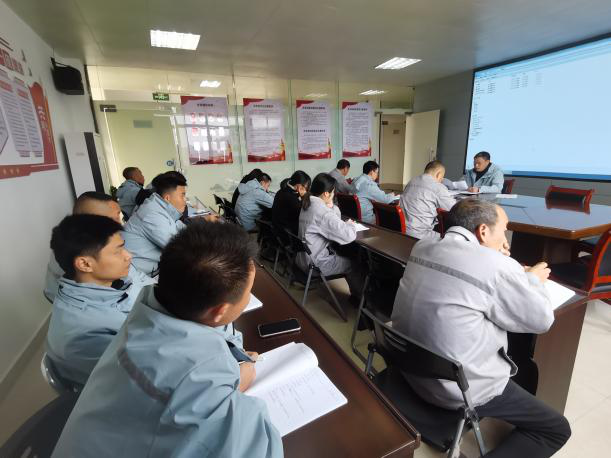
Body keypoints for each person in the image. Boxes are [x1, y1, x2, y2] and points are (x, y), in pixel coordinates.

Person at [52, 221, 283, 458]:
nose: (128, 255)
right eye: (248, 292)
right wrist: (238, 381)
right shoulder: (198, 379)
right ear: (219, 311)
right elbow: (262, 450)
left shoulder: (142, 313)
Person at [391, 199, 570, 458]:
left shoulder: (423, 245)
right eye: (504, 230)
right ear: (483, 231)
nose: (505, 239)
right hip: (456, 390)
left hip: (409, 367)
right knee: (557, 429)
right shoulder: (496, 265)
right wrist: (531, 280)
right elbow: (542, 320)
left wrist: (503, 265)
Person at [46, 214, 151, 388]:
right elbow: (146, 377)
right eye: (117, 251)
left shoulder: (110, 282)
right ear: (85, 264)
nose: (128, 256)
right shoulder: (85, 336)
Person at [44, 191, 140, 303]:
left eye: (118, 216)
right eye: (110, 220)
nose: (118, 224)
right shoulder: (74, 256)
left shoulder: (104, 243)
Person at [298, 173, 362, 298]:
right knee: (353, 264)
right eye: (333, 192)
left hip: (302, 259)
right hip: (315, 265)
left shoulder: (307, 204)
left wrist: (331, 207)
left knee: (341, 251)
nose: (334, 195)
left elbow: (332, 221)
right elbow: (348, 235)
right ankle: (359, 299)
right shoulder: (322, 212)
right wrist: (351, 224)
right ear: (326, 193)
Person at [122, 173, 187, 275]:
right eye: (182, 195)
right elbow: (181, 247)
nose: (185, 200)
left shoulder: (158, 207)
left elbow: (180, 228)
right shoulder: (151, 214)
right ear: (167, 198)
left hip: (150, 270)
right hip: (137, 277)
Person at [399, 160, 456, 239]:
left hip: (402, 230)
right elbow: (454, 209)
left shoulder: (412, 181)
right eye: (442, 177)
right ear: (438, 174)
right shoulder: (438, 187)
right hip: (419, 235)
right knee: (452, 239)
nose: (441, 180)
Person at [272, 170, 311, 236]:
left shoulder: (281, 191)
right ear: (299, 186)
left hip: (278, 228)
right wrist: (304, 196)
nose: (306, 190)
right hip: (287, 233)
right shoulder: (291, 198)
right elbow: (304, 213)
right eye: (306, 188)